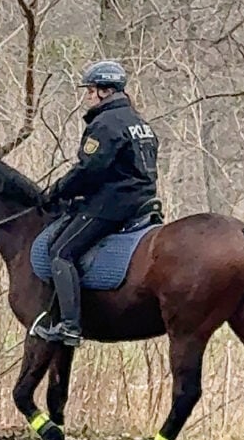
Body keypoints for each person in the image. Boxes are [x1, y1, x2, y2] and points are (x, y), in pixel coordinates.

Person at [35, 60, 159, 347]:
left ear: (104, 91)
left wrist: (57, 191)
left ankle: (69, 325)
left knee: (61, 252)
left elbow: (89, 170)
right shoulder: (141, 124)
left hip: (111, 206)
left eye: (90, 90)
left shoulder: (104, 124)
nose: (87, 96)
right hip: (143, 201)